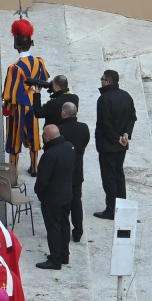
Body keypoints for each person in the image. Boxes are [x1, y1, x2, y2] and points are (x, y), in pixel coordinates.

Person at [1, 19, 49, 175]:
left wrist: (8, 108)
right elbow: (44, 79)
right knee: (33, 135)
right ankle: (34, 167)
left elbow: (10, 92)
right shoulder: (39, 62)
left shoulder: (14, 67)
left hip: (19, 105)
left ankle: (13, 171)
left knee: (15, 136)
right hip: (33, 102)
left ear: (17, 46)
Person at [94, 69, 137, 219]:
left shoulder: (104, 99)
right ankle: (122, 208)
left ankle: (111, 209)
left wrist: (116, 138)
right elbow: (132, 117)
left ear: (108, 82)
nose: (101, 80)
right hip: (121, 144)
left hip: (108, 144)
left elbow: (104, 123)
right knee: (119, 175)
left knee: (109, 177)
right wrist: (126, 134)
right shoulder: (126, 96)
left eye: (102, 78)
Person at [34, 124, 75, 269]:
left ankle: (55, 259)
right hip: (66, 194)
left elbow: (43, 179)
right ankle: (64, 255)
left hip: (52, 198)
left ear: (47, 137)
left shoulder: (50, 155)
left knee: (53, 228)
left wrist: (38, 191)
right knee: (64, 224)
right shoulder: (70, 147)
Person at [52, 102, 89, 242]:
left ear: (64, 113)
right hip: (78, 169)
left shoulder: (59, 129)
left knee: (63, 204)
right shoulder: (84, 128)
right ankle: (78, 231)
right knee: (76, 201)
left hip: (63, 172)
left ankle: (64, 232)